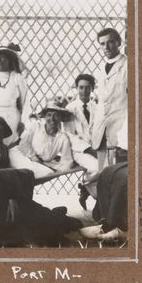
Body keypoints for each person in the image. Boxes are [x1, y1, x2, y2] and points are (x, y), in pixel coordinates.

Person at [91, 28, 127, 170]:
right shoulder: (101, 69)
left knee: (118, 170)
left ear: (118, 42)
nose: (106, 47)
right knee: (102, 171)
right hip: (101, 127)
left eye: (110, 42)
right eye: (102, 43)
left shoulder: (127, 65)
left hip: (120, 124)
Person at [9, 101, 74, 178]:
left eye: (56, 115)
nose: (52, 119)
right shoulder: (37, 126)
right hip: (21, 154)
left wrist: (60, 172)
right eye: (49, 115)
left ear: (60, 118)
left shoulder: (62, 138)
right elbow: (23, 144)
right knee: (16, 157)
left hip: (40, 165)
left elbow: (67, 161)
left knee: (47, 173)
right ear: (45, 117)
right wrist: (34, 157)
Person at [64, 74, 99, 209]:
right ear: (76, 88)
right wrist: (89, 149)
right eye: (81, 88)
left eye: (87, 88)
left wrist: (97, 147)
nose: (84, 91)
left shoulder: (96, 107)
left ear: (92, 89)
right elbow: (69, 135)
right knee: (96, 168)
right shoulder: (70, 108)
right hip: (79, 150)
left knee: (110, 167)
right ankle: (96, 197)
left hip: (96, 147)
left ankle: (85, 188)